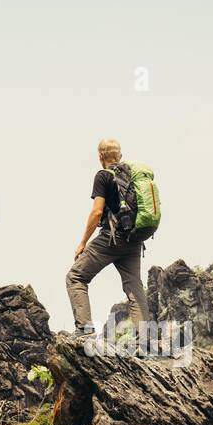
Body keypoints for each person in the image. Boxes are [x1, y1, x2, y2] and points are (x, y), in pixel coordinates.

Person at [65, 138, 150, 335]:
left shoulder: (103, 176)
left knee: (76, 276)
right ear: (120, 155)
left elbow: (96, 212)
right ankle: (145, 338)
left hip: (111, 239)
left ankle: (84, 329)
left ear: (100, 156)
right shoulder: (131, 176)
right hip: (134, 240)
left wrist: (82, 243)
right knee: (134, 288)